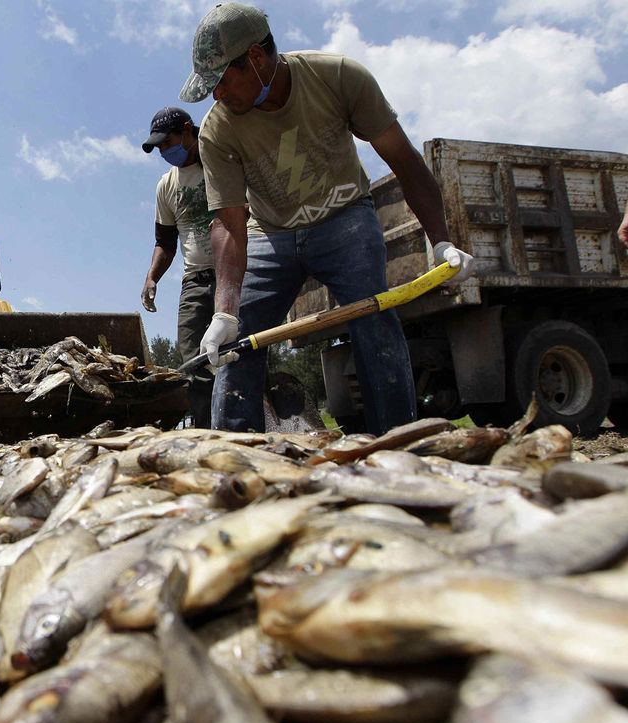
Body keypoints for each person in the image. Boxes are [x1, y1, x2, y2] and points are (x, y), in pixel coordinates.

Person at [178, 3, 475, 434]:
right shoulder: (217, 130)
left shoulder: (337, 77)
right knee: (237, 341)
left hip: (344, 218)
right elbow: (227, 222)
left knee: (373, 319)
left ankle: (396, 442)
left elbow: (405, 161)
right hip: (270, 233)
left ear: (256, 58)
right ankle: (233, 450)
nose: (217, 95)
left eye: (221, 81)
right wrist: (224, 312)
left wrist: (442, 240)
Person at [140, 106, 217, 427]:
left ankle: (250, 426)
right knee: (195, 364)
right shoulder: (167, 186)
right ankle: (205, 434)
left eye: (167, 143)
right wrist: (152, 277)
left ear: (188, 131)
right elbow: (165, 242)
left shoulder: (222, 158)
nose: (164, 153)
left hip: (237, 272)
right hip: (195, 281)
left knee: (244, 353)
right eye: (159, 148)